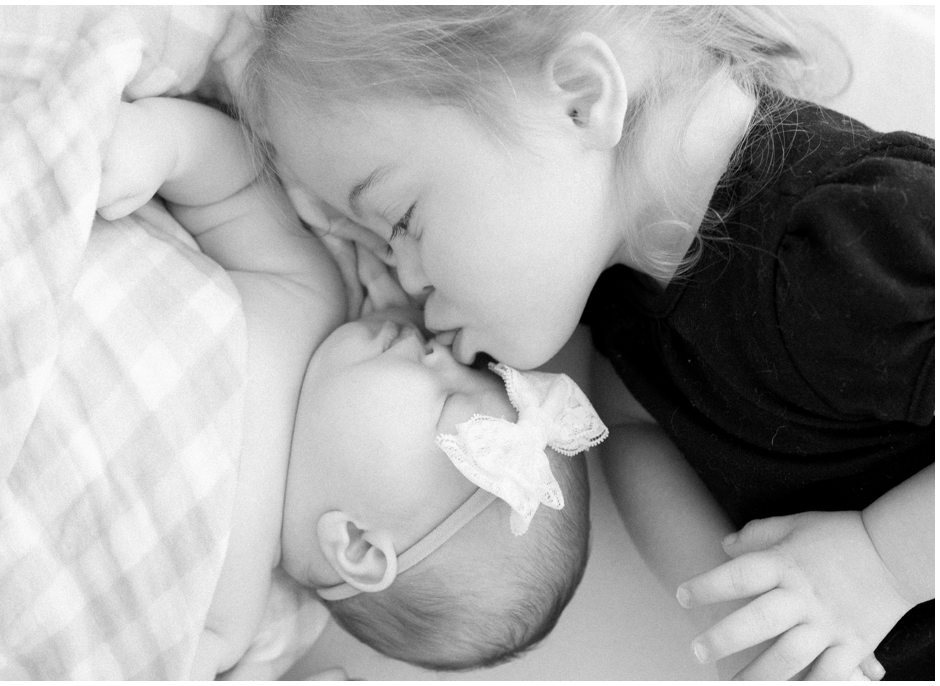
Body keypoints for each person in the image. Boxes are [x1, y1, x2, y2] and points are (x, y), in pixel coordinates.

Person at [243, 6, 934, 680]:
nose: (406, 279)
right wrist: (749, 619)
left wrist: (883, 563)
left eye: (400, 223)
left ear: (579, 100)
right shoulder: (620, 304)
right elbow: (633, 430)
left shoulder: (853, 240)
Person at [98, 96, 598, 677]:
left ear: (358, 545)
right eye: (471, 368)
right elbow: (233, 189)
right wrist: (160, 141)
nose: (442, 352)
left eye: (448, 397)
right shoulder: (306, 301)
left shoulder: (228, 621)